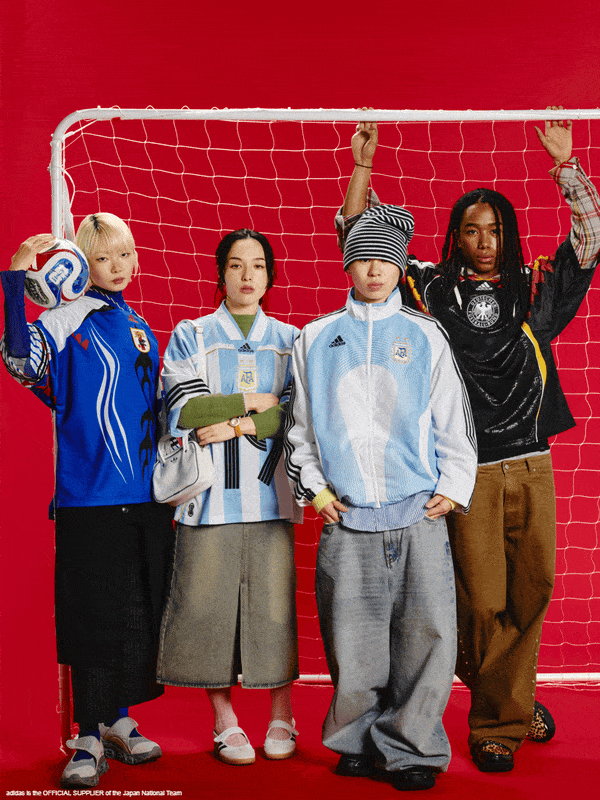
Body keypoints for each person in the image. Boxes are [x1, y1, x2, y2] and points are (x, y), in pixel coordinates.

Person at [338, 110, 600, 772]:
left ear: (507, 236)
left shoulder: (535, 287)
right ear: (455, 236)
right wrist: (363, 167)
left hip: (532, 462)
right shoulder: (430, 290)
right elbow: (358, 238)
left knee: (531, 591)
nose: (485, 241)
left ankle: (504, 708)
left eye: (495, 231)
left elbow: (591, 237)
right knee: (480, 601)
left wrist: (567, 167)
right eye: (472, 231)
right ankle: (502, 709)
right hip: (468, 470)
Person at [284, 204, 478, 791]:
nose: (373, 270)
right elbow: (301, 427)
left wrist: (452, 485)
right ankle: (355, 739)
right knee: (353, 636)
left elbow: (452, 417)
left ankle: (414, 745)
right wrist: (314, 490)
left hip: (417, 511)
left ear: (399, 268)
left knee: (428, 633)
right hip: (347, 517)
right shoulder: (316, 338)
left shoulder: (424, 334)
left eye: (384, 261)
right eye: (362, 259)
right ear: (347, 266)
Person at [0, 215, 175, 789]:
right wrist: (14, 280)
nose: (119, 266)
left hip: (146, 501)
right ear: (81, 266)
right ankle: (88, 735)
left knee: (135, 614)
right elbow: (21, 361)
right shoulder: (66, 321)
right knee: (91, 618)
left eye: (125, 254)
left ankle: (123, 720)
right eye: (104, 258)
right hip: (88, 501)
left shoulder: (144, 327)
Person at [157, 229, 302, 765]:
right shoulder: (191, 334)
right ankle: (226, 721)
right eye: (236, 265)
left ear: (269, 276)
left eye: (258, 266)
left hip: (269, 496)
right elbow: (185, 412)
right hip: (208, 497)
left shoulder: (292, 339)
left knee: (274, 609)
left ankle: (282, 715)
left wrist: (233, 421)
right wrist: (249, 401)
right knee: (208, 607)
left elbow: (295, 414)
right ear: (220, 273)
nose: (247, 276)